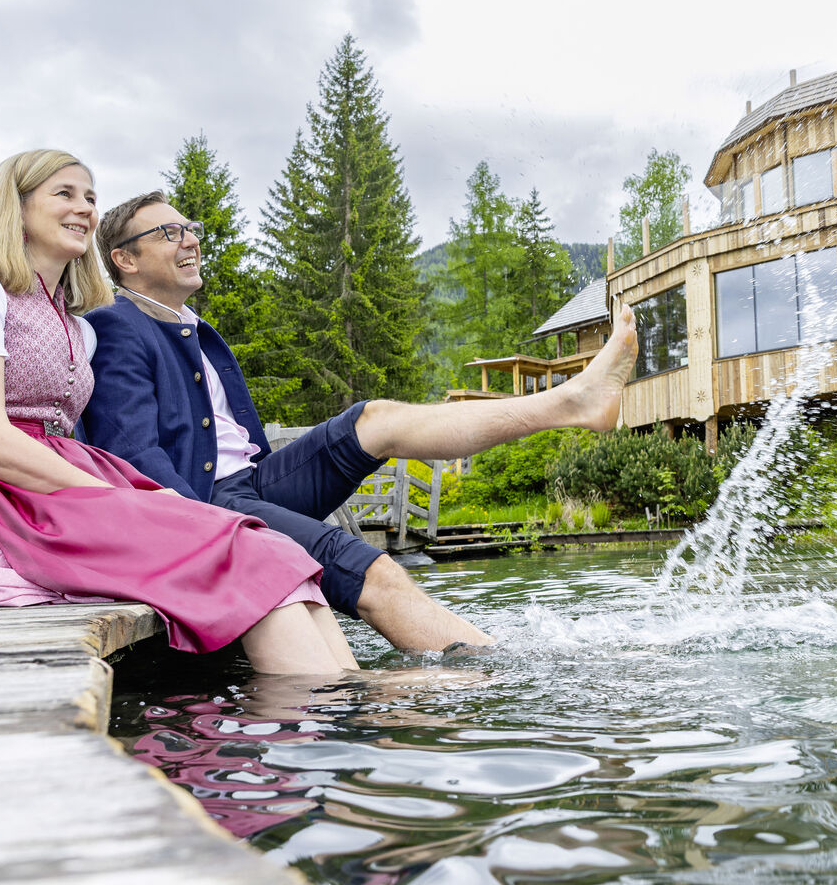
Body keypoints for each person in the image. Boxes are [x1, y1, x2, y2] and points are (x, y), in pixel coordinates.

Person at [81, 190, 640, 652]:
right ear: (126, 259)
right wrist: (217, 529)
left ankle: (572, 403)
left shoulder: (194, 328)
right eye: (169, 233)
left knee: (376, 419)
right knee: (377, 572)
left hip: (253, 483)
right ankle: (495, 671)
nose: (190, 240)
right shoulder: (116, 326)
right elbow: (135, 460)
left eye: (191, 228)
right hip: (205, 506)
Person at [0, 150, 357, 675]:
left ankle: (344, 695)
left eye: (90, 197)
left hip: (51, 482)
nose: (84, 208)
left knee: (267, 545)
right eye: (64, 193)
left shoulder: (74, 323)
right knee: (238, 549)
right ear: (14, 208)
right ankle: (314, 708)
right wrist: (113, 496)